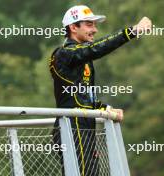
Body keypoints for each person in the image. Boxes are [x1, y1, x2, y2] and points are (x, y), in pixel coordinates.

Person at [49, 5, 152, 176]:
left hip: (84, 128)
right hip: (72, 129)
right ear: (73, 27)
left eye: (95, 25)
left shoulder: (83, 58)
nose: (95, 30)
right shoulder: (64, 53)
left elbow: (84, 97)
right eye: (89, 25)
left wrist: (105, 109)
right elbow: (95, 48)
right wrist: (132, 31)